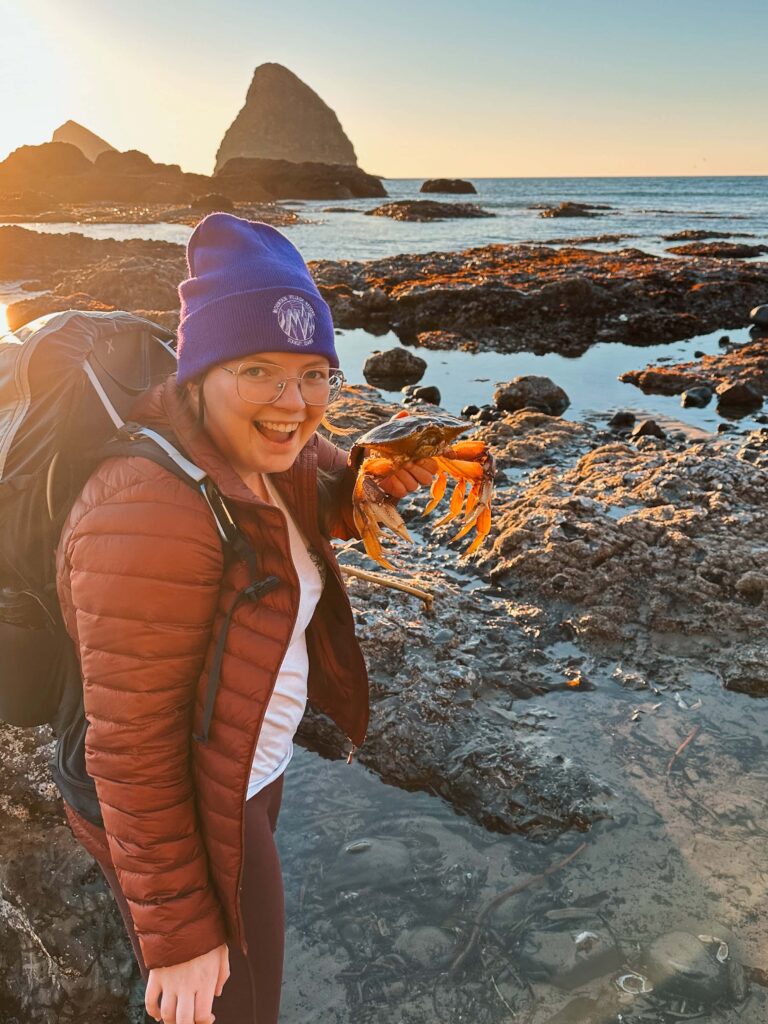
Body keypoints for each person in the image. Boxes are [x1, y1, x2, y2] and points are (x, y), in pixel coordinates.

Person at [56, 214, 436, 1024]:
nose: (293, 402)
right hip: (188, 802)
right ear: (199, 372)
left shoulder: (272, 452)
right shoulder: (148, 509)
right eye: (258, 369)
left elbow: (322, 494)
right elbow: (125, 744)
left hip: (244, 767)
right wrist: (181, 929)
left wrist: (375, 483)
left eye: (313, 373)